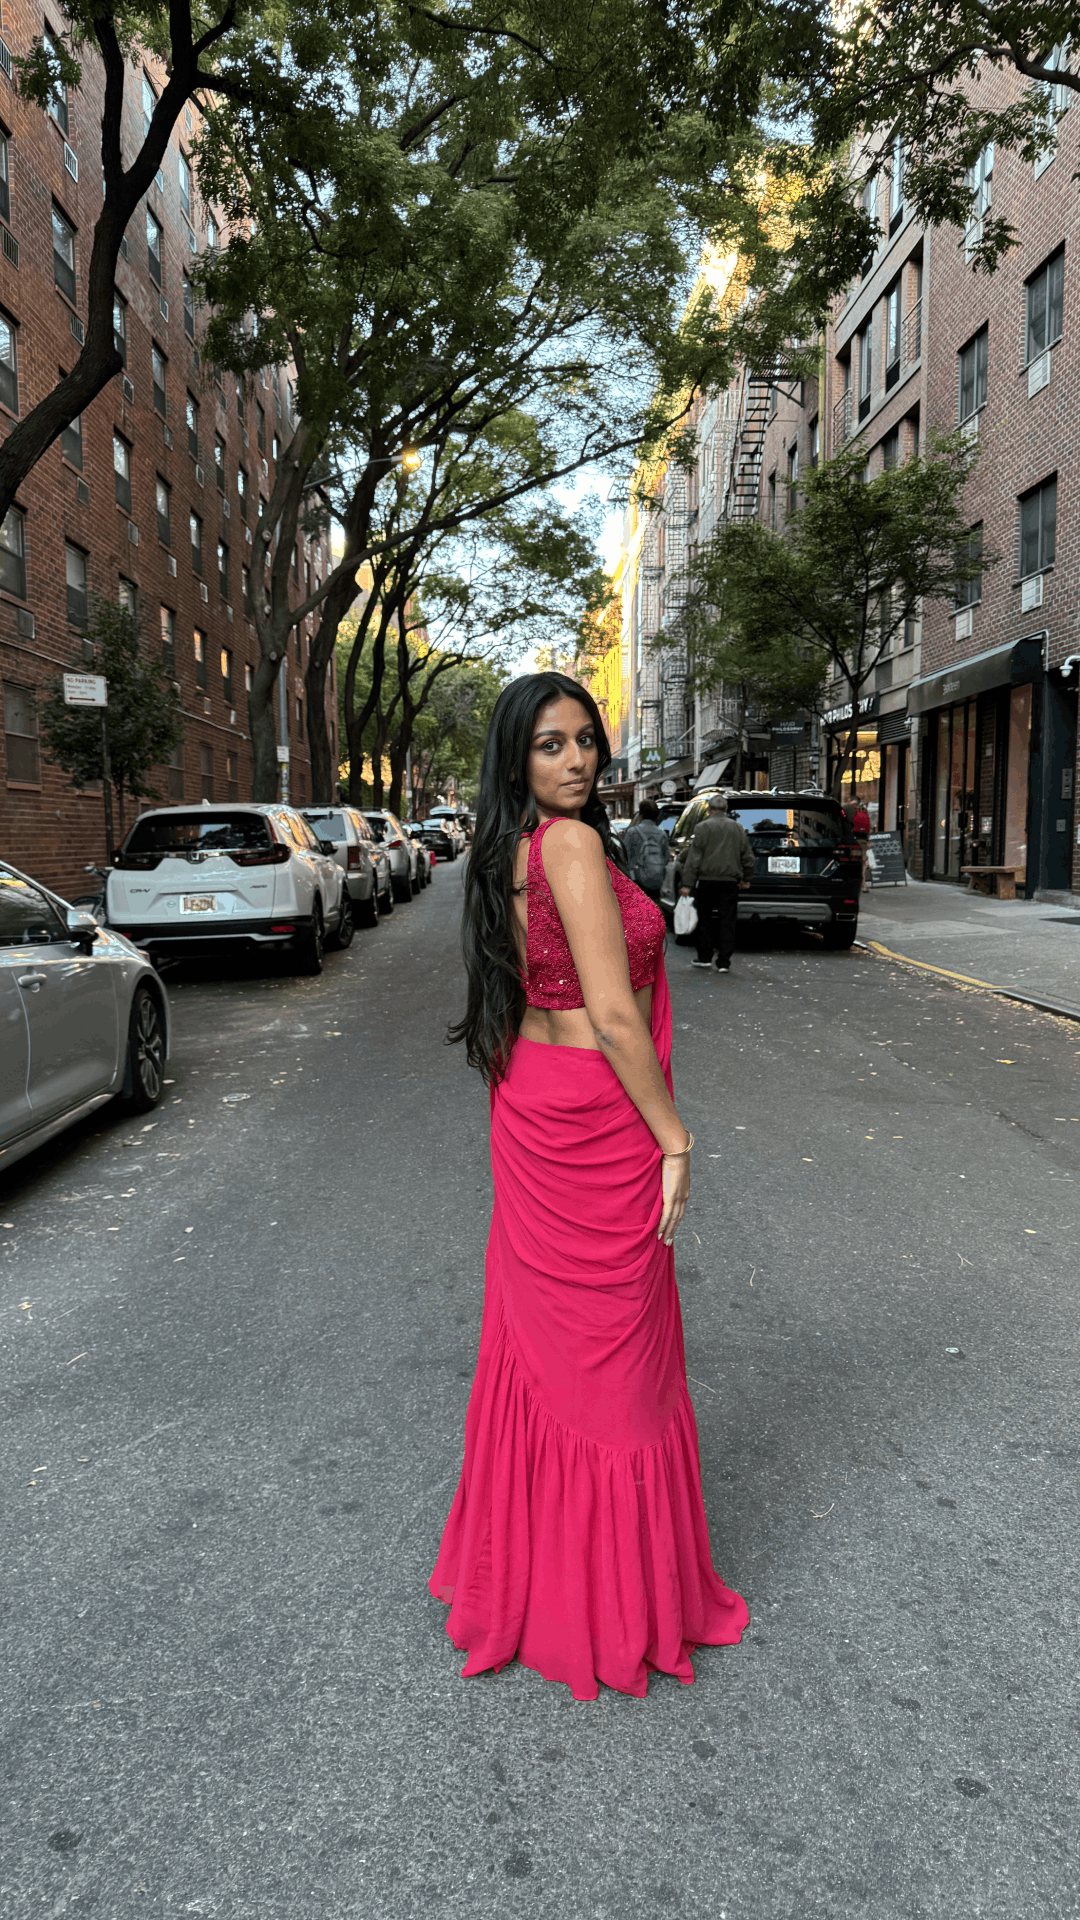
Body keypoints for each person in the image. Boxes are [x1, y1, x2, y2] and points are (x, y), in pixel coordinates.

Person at [435, 671, 748, 1701]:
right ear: (517, 759)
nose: (577, 761)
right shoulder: (567, 845)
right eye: (551, 745)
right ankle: (606, 1606)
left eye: (585, 741)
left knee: (552, 1346)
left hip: (536, 1100)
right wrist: (675, 1138)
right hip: (595, 1113)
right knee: (618, 1362)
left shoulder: (512, 847)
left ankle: (543, 1587)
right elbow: (616, 1016)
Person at [679, 792, 754, 973]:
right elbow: (748, 858)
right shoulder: (737, 828)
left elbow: (694, 859)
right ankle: (724, 962)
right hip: (729, 882)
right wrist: (746, 879)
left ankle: (704, 957)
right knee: (727, 921)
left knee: (704, 919)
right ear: (726, 809)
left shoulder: (702, 828)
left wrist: (687, 884)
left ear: (709, 810)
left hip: (706, 881)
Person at [623, 796, 670, 903]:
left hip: (637, 878)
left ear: (641, 815)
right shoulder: (662, 834)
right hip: (656, 879)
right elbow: (666, 858)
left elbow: (625, 855)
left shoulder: (632, 832)